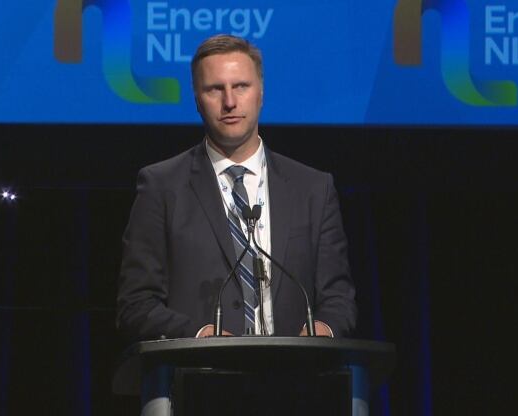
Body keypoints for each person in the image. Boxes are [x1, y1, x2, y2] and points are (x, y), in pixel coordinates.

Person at [116, 34, 356, 340]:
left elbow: (339, 299)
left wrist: (322, 329)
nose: (230, 102)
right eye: (215, 89)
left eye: (241, 86)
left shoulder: (313, 188)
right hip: (199, 377)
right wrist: (199, 334)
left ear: (261, 92)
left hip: (294, 376)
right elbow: (136, 304)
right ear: (197, 99)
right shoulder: (161, 186)